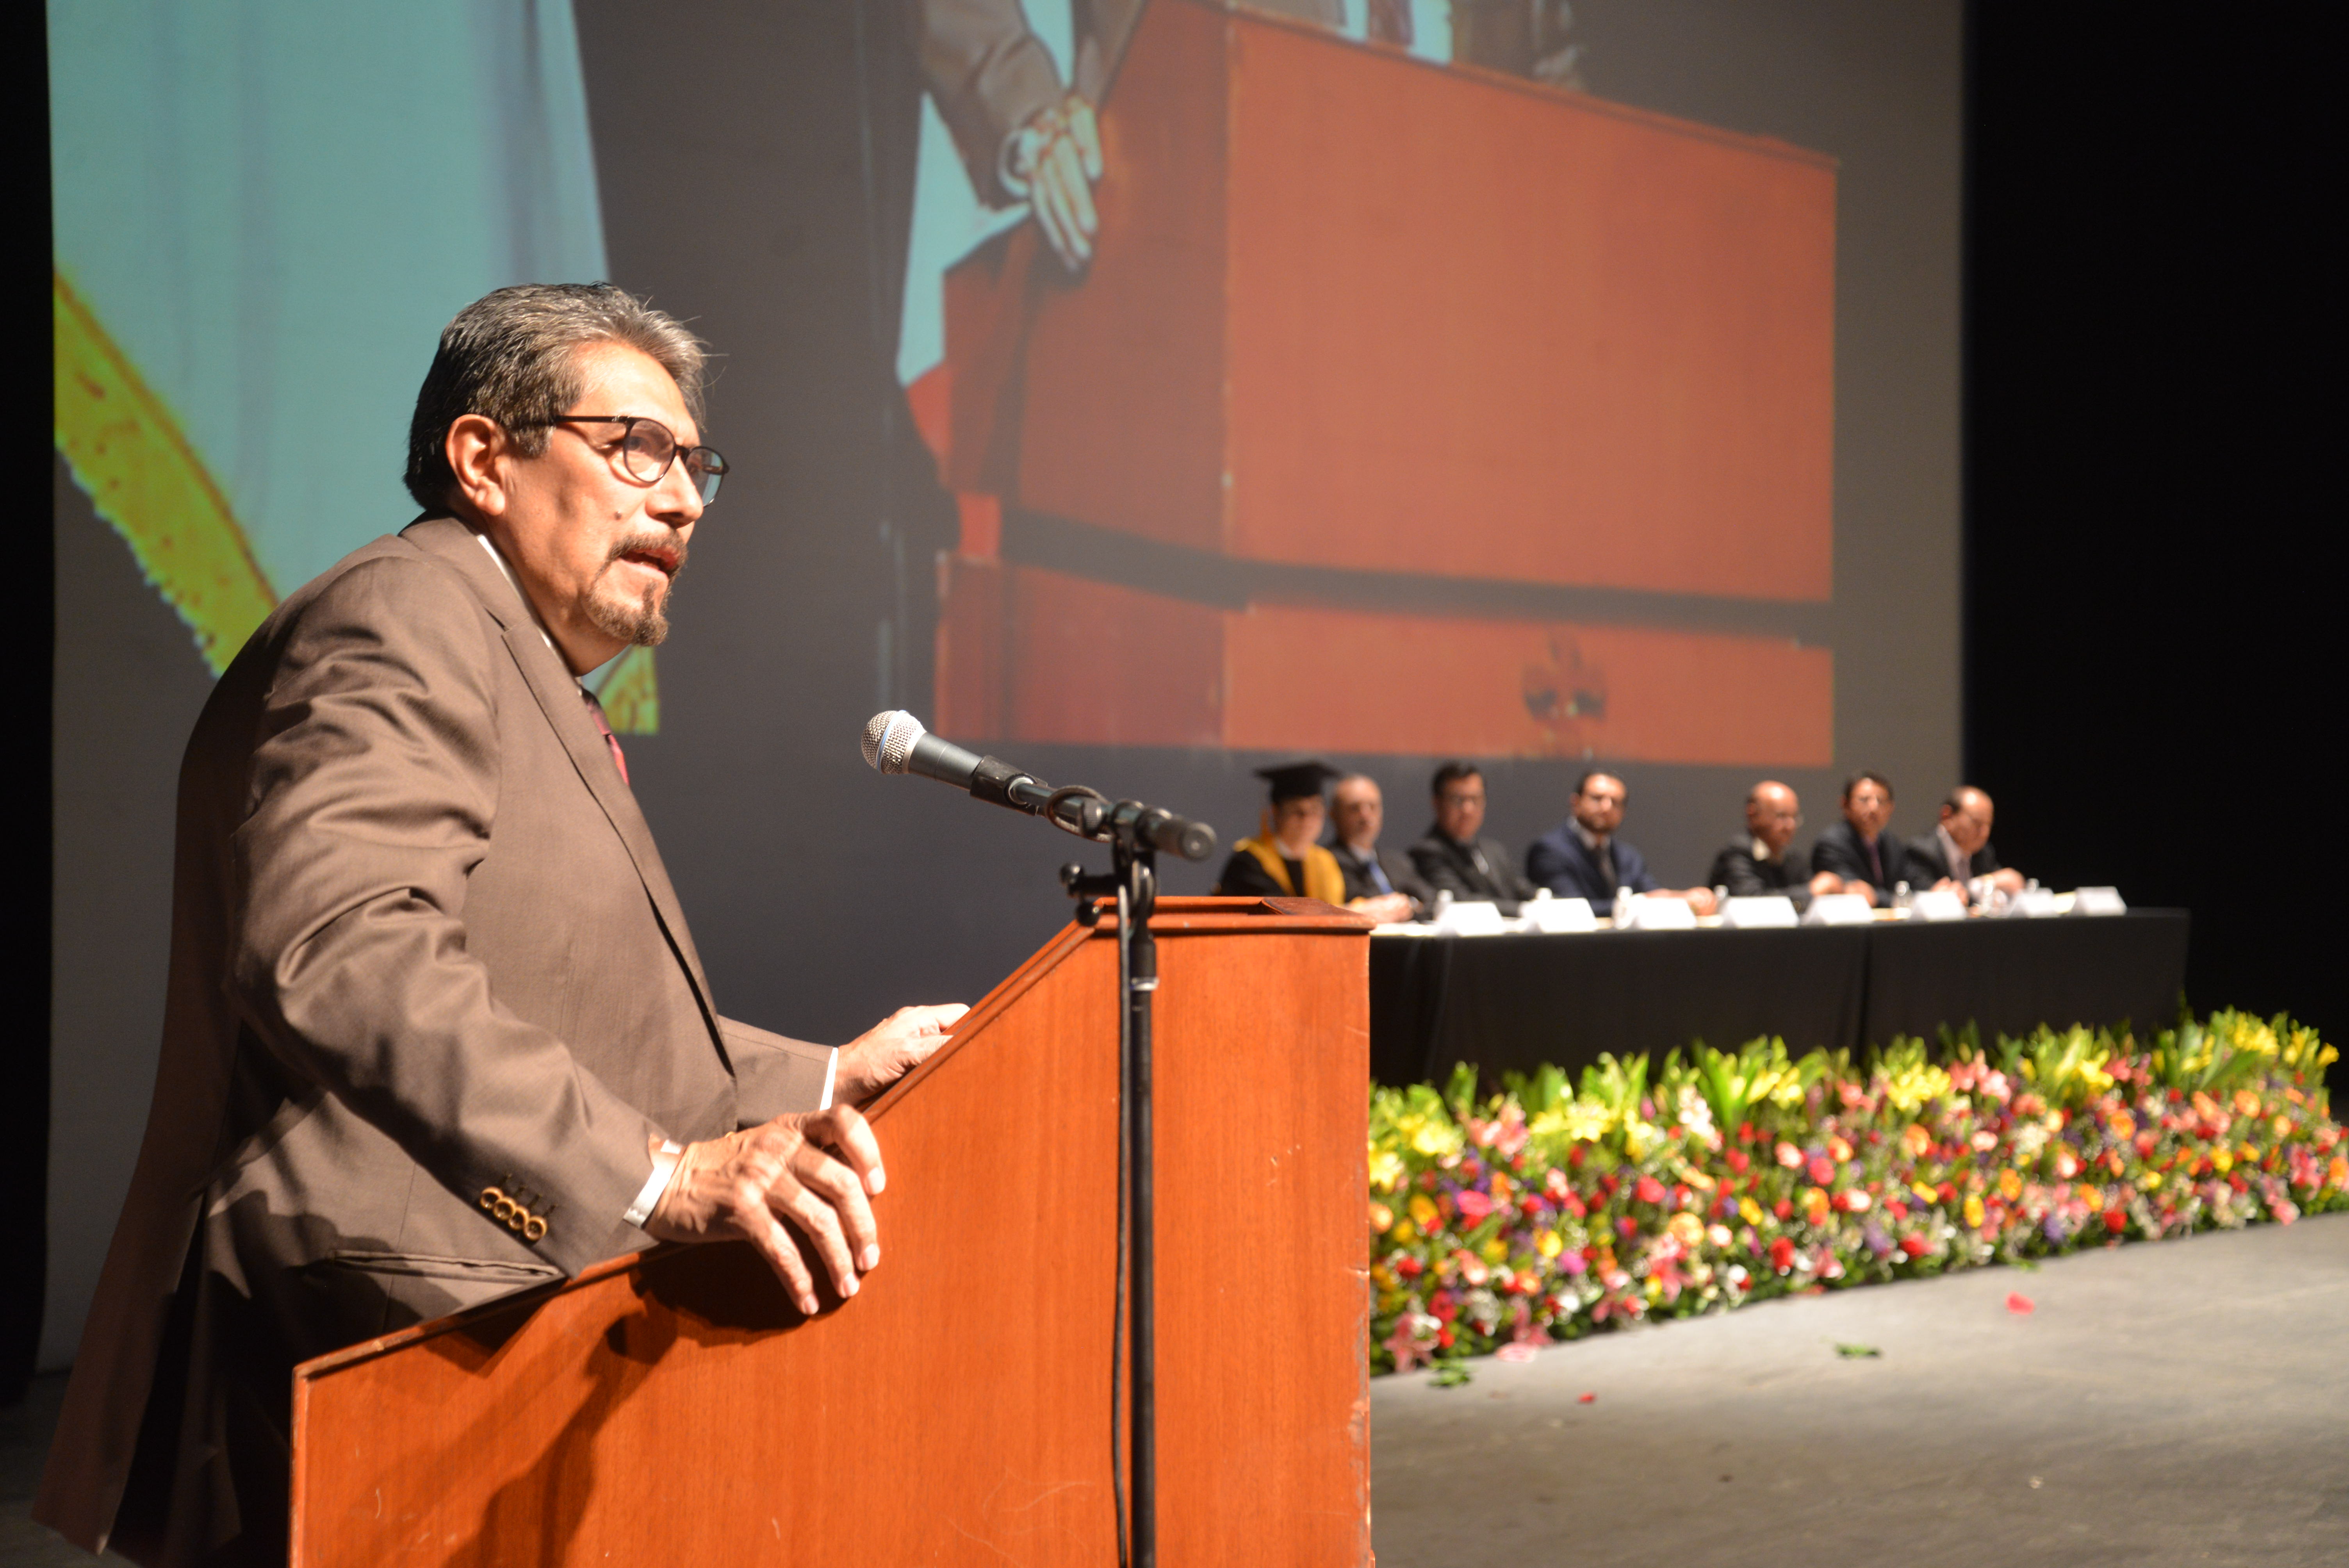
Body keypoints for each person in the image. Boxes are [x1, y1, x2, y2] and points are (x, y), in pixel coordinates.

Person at [36, 285, 967, 1567]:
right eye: (637, 447)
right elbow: (344, 951)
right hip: (377, 1334)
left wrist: (822, 1072)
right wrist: (657, 1175)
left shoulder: (516, 662)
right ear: (483, 458)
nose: (685, 497)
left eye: (698, 463)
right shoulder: (403, 616)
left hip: (482, 1336)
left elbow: (576, 1017)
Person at [1525, 771, 1717, 918]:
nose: (1606, 808)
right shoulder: (1550, 850)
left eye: (1615, 802)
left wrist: (1683, 898)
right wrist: (1638, 904)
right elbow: (1570, 909)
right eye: (1597, 798)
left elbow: (1650, 893)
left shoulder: (1628, 856)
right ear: (1575, 803)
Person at [1214, 760, 1351, 904]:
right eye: (1298, 811)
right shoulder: (1250, 861)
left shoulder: (1325, 861)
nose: (1307, 820)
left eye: (1315, 810)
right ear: (1276, 813)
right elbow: (1277, 911)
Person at [1408, 762, 1538, 909]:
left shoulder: (1494, 850)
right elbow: (1464, 902)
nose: (1468, 809)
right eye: (1458, 800)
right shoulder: (1428, 852)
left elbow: (1522, 889)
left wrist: (1547, 902)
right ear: (1437, 804)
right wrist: (1526, 910)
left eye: (1475, 799)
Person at [1707, 781, 1844, 904]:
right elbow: (1752, 902)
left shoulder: (1793, 858)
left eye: (1794, 817)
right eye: (1781, 816)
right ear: (1752, 814)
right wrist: (1812, 891)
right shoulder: (1737, 853)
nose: (1790, 826)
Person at [1327, 773, 1431, 923]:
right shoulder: (1327, 861)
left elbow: (1430, 899)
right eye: (1355, 808)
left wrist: (1409, 907)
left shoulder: (1397, 861)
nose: (1366, 816)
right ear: (1334, 815)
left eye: (1373, 807)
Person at [1904, 786, 2027, 902]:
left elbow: (2006, 889)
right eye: (1977, 823)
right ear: (1947, 817)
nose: (1985, 833)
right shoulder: (1921, 852)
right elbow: (1929, 899)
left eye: (1989, 825)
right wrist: (1982, 885)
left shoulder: (1984, 853)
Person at [1811, 771, 1902, 906]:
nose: (1874, 808)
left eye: (1881, 801)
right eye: (1864, 800)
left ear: (1891, 808)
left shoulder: (1890, 842)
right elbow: (1857, 893)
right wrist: (1900, 899)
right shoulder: (1831, 844)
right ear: (1845, 805)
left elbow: (1912, 881)